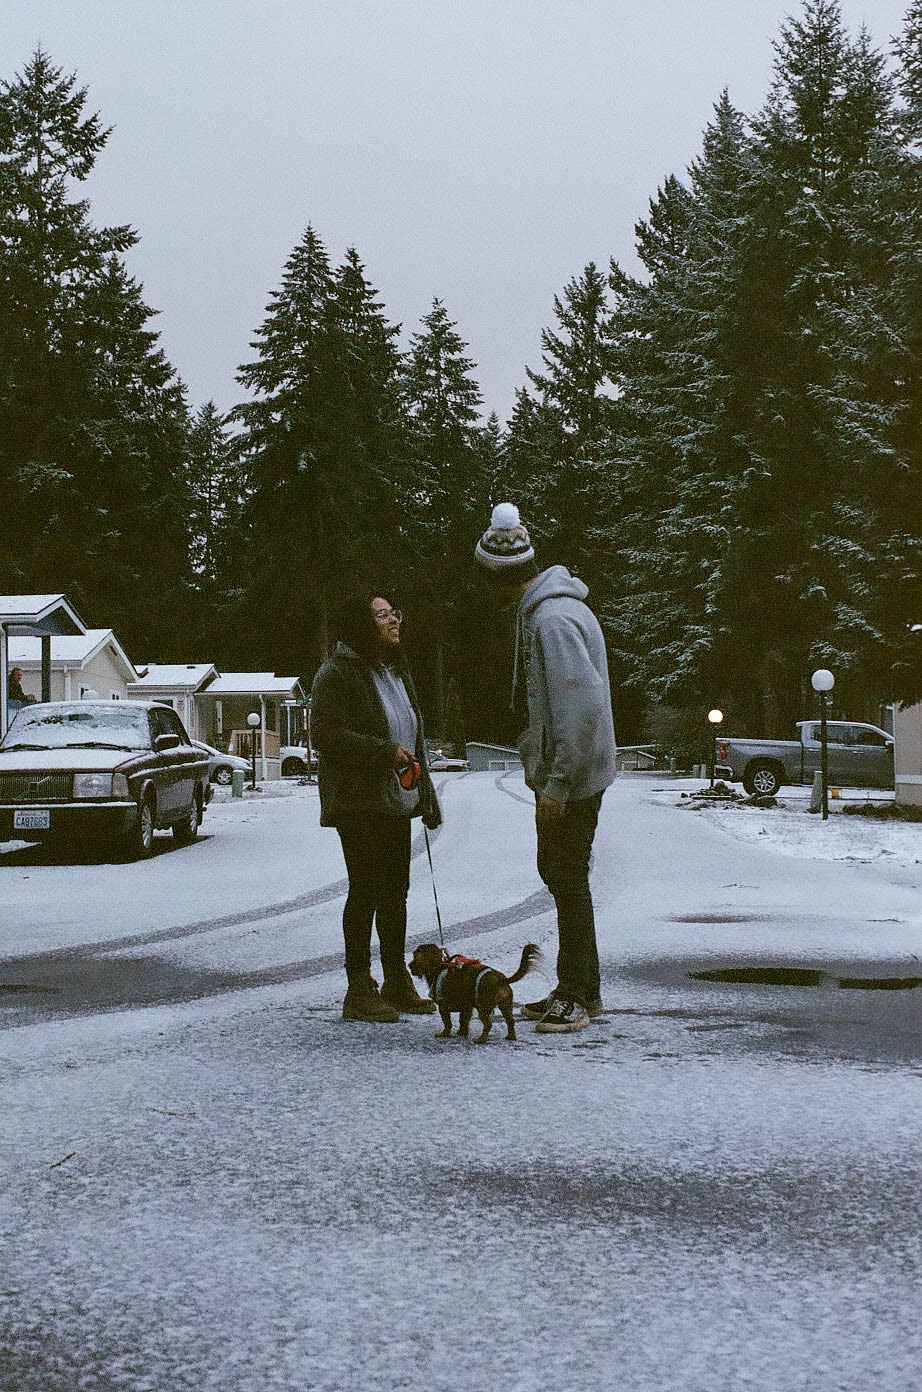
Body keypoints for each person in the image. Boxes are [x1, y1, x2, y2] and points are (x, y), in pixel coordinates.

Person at [474, 503, 617, 1033]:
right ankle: (578, 988)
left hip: (573, 777)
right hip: (568, 772)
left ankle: (578, 995)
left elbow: (579, 710)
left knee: (567, 878)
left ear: (499, 575)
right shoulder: (544, 612)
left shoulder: (552, 620)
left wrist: (556, 785)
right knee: (562, 875)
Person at [310, 592, 441, 1023]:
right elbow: (325, 735)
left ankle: (396, 980)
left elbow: (414, 738)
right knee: (365, 890)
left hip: (396, 800)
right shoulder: (336, 673)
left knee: (395, 892)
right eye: (382, 615)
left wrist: (426, 796)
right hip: (358, 801)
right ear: (362, 625)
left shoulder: (396, 671)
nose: (393, 621)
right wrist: (383, 752)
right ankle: (358, 988)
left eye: (394, 613)